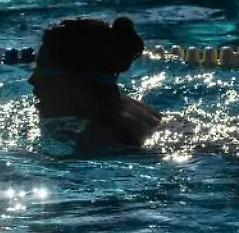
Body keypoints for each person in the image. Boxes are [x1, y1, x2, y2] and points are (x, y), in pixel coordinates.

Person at [28, 16, 162, 152]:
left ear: (74, 83)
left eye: (43, 73)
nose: (32, 80)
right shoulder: (129, 108)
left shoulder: (102, 138)